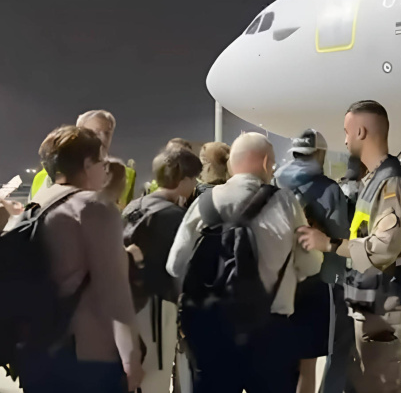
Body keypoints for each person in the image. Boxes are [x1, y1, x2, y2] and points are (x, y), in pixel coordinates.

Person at [166, 132, 323, 393]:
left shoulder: (203, 204)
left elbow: (174, 265)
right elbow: (310, 266)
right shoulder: (285, 202)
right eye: (272, 163)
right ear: (264, 163)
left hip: (212, 334)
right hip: (270, 334)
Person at [298, 100, 401, 393]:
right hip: (371, 299)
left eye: (346, 132)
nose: (344, 140)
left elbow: (383, 248)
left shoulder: (390, 182)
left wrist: (329, 243)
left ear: (360, 131)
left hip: (384, 301)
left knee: (382, 385)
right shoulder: (374, 179)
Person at [15, 125, 144, 392]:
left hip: (35, 351)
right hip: (87, 355)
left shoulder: (34, 207)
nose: (105, 169)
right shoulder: (93, 206)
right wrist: (131, 359)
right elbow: (115, 293)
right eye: (101, 162)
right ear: (87, 164)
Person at [273, 129, 353, 393]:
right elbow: (339, 237)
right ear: (320, 154)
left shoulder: (276, 185)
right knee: (329, 352)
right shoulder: (330, 190)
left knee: (285, 358)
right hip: (323, 283)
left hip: (280, 281)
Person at [124, 147, 202, 393]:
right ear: (184, 180)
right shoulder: (175, 216)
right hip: (157, 306)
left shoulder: (133, 207)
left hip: (128, 303)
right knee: (154, 377)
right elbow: (182, 268)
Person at [30, 110, 136, 208]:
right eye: (94, 132)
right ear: (77, 134)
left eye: (107, 133)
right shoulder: (43, 177)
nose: (103, 138)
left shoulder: (127, 174)